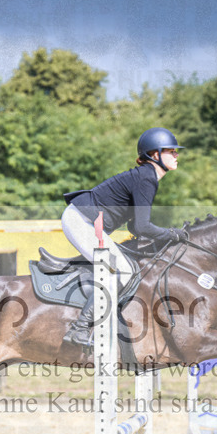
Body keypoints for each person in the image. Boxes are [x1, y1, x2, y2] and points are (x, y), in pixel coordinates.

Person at [60, 127, 187, 347]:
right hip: (81, 220)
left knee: (125, 266)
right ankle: (79, 329)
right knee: (123, 271)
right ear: (155, 154)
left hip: (83, 219)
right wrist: (172, 234)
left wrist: (161, 236)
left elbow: (135, 226)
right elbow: (142, 225)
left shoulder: (146, 176)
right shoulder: (147, 178)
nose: (176, 154)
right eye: (171, 151)